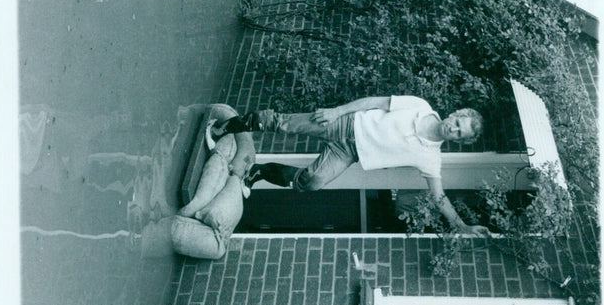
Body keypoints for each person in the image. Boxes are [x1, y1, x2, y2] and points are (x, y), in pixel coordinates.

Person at [206, 96, 490, 237]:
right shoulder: (418, 106)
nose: (453, 128)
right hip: (345, 122)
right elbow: (376, 101)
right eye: (457, 123)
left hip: (349, 151)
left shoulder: (431, 158)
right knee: (283, 122)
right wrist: (337, 111)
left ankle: (258, 172)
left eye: (458, 133)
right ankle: (221, 127)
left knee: (312, 182)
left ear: (459, 142)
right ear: (455, 114)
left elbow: (439, 198)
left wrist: (462, 226)